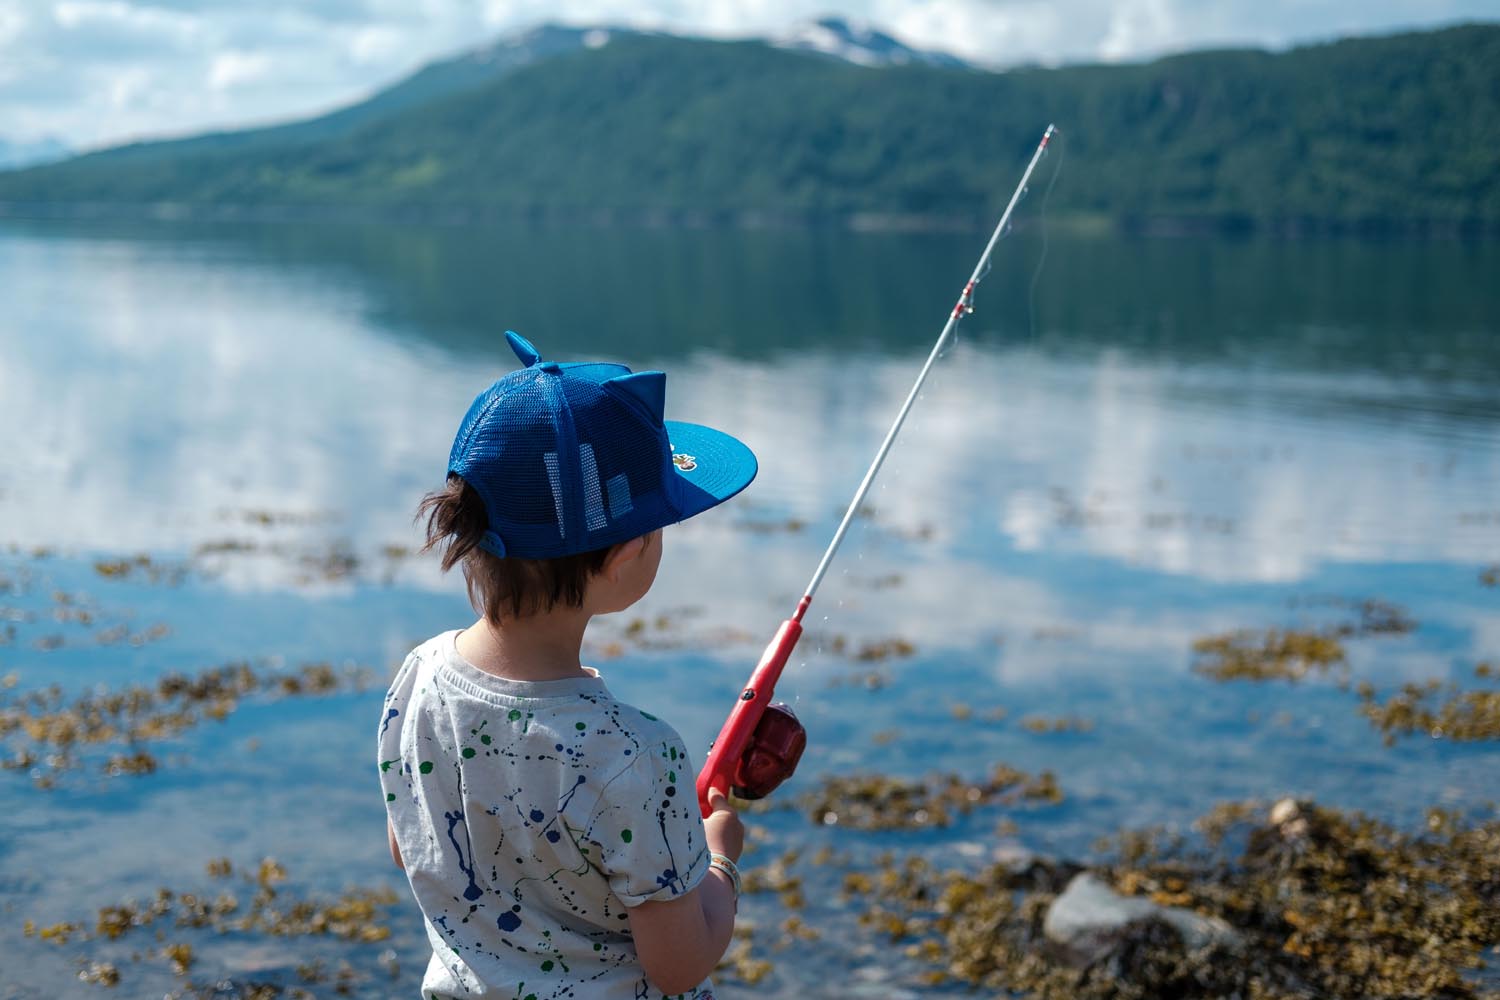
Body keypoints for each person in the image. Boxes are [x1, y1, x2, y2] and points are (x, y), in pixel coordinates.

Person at [378, 332, 755, 999]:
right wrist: (719, 858)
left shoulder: (419, 678)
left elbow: (411, 847)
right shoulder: (635, 757)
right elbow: (679, 965)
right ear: (623, 554)